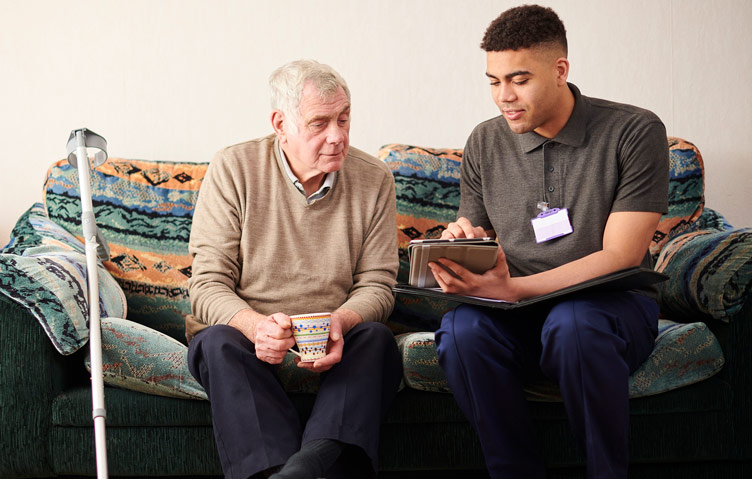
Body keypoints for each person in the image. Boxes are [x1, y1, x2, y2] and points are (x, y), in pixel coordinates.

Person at [431, 5, 669, 479]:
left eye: (519, 79)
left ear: (560, 70)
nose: (504, 97)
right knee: (461, 332)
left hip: (609, 307)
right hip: (515, 311)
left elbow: (622, 256)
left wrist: (516, 289)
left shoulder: (635, 131)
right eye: (494, 81)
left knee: (574, 322)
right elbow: (472, 227)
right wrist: (460, 240)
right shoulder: (484, 141)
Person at [185, 59, 402, 479]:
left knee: (376, 339)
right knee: (216, 344)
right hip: (249, 340)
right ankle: (306, 469)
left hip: (336, 341)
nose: (337, 136)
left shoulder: (374, 179)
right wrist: (255, 327)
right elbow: (207, 283)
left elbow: (379, 285)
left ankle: (302, 469)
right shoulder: (233, 168)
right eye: (319, 123)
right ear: (280, 124)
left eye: (344, 118)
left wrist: (340, 322)